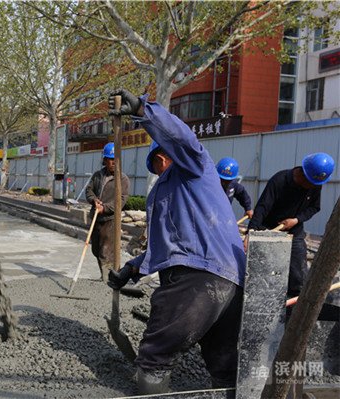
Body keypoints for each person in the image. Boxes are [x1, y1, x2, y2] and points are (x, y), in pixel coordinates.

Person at [107, 89, 246, 394]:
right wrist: (131, 270)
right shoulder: (176, 194)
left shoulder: (195, 168)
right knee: (223, 362)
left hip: (196, 279)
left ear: (162, 157)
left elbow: (183, 139)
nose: (155, 172)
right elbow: (164, 244)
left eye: (155, 164)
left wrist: (145, 110)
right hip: (231, 281)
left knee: (156, 354)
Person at [247, 153, 335, 298]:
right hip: (269, 230)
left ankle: (295, 307)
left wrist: (296, 220)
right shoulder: (280, 181)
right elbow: (262, 207)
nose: (313, 186)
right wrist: (251, 232)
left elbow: (314, 208)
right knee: (265, 273)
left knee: (299, 275)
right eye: (311, 183)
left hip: (294, 232)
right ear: (303, 173)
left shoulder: (314, 185)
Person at [85, 142, 130, 282]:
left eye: (115, 159)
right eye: (110, 159)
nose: (112, 163)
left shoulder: (123, 179)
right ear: (104, 160)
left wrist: (105, 208)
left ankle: (109, 280)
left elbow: (121, 201)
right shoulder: (98, 176)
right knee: (97, 250)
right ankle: (104, 275)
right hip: (96, 219)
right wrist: (94, 201)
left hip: (110, 220)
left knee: (107, 252)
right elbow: (89, 191)